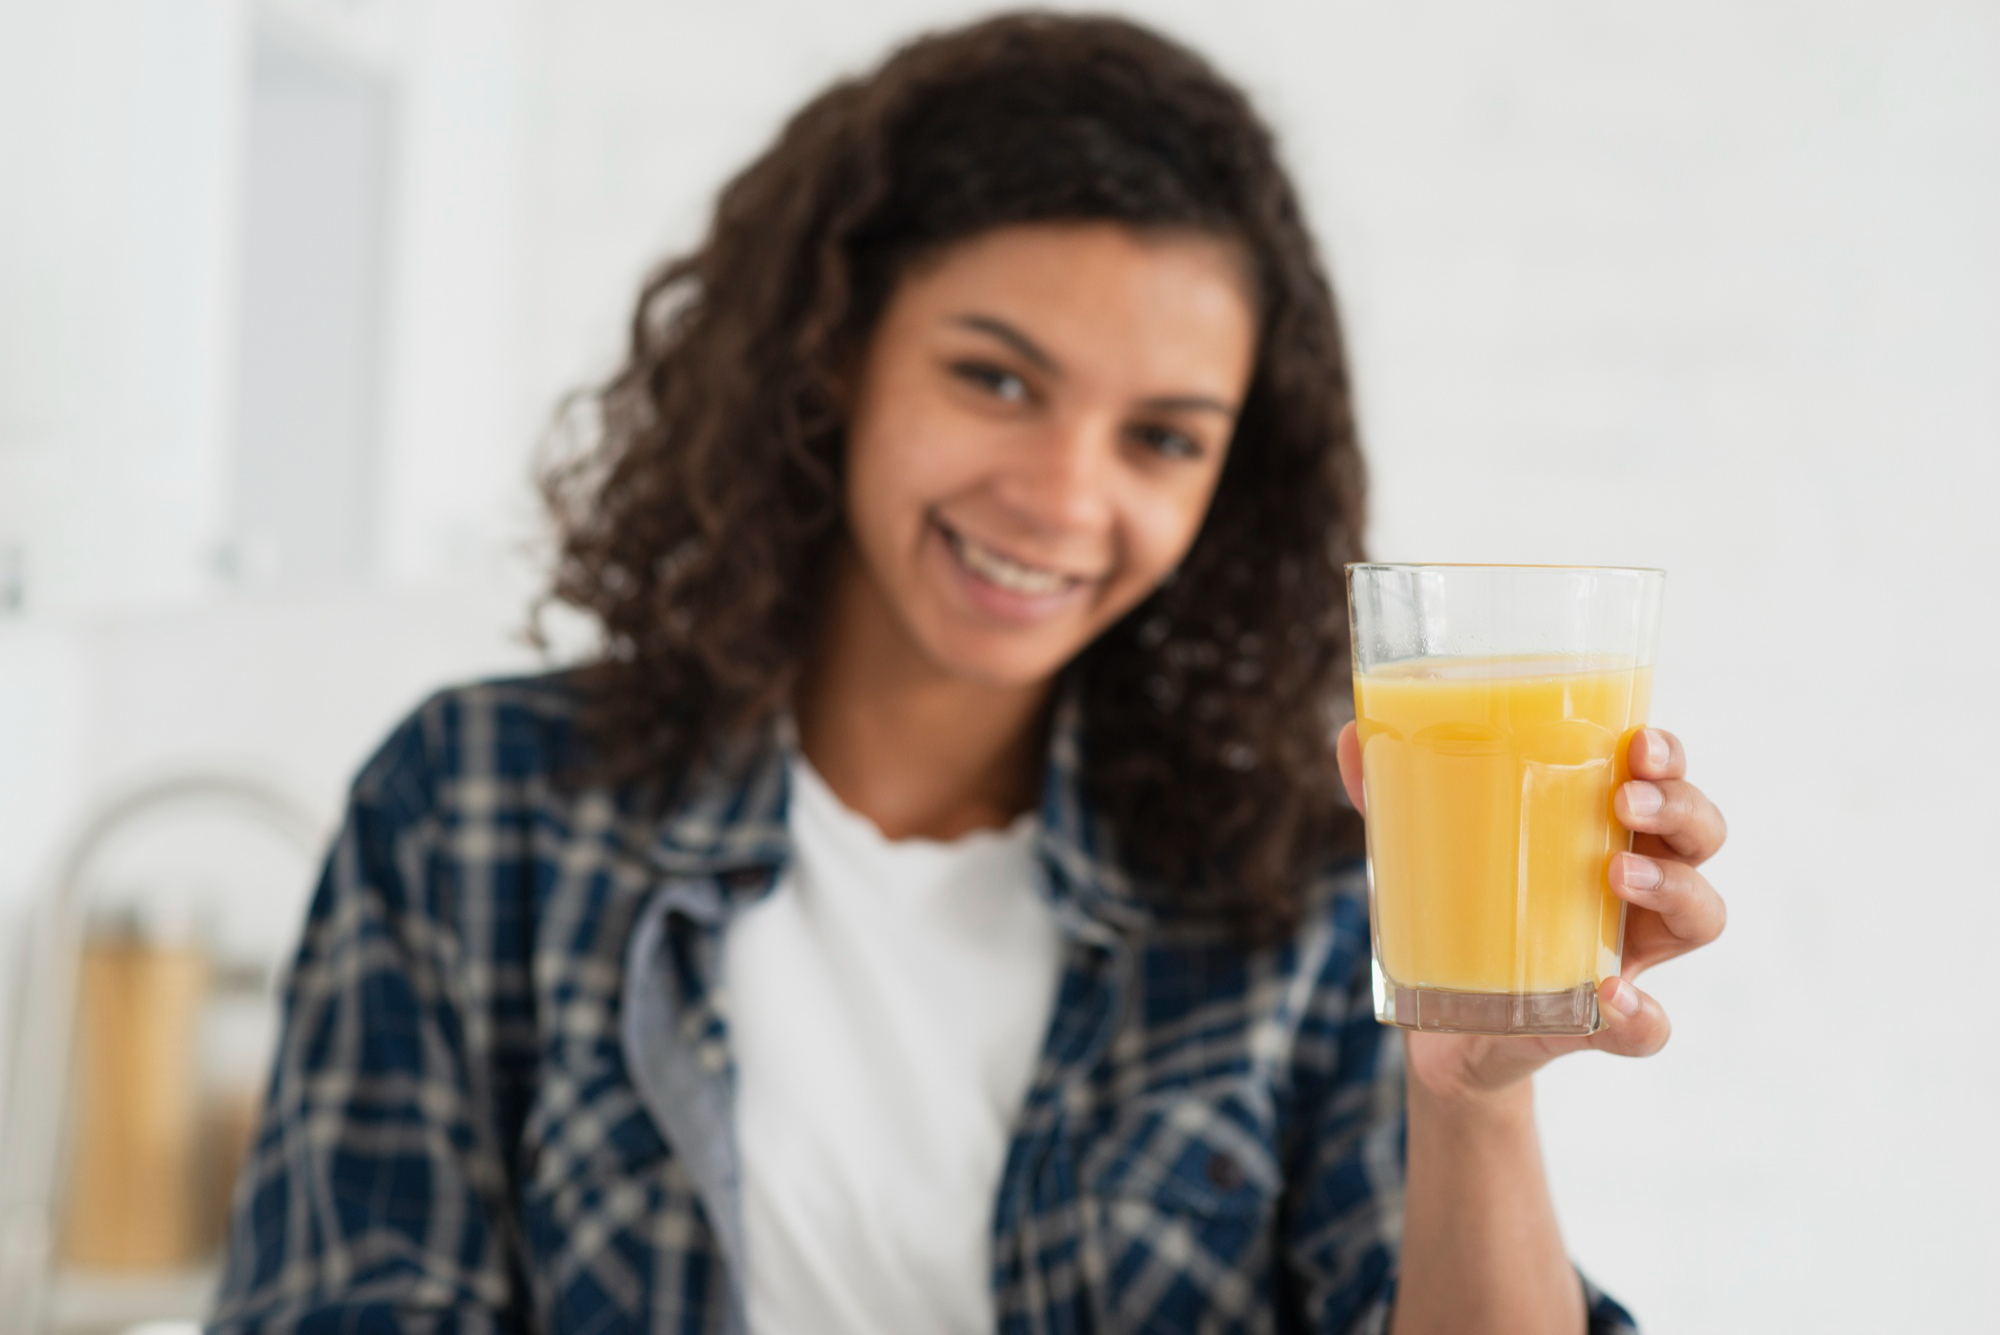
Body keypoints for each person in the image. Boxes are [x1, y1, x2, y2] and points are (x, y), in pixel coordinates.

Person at [209, 13, 1728, 1335]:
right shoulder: (480, 814)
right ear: (830, 356)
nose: (1067, 500)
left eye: (1162, 437)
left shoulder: (1316, 883)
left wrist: (1475, 1102)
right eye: (996, 379)